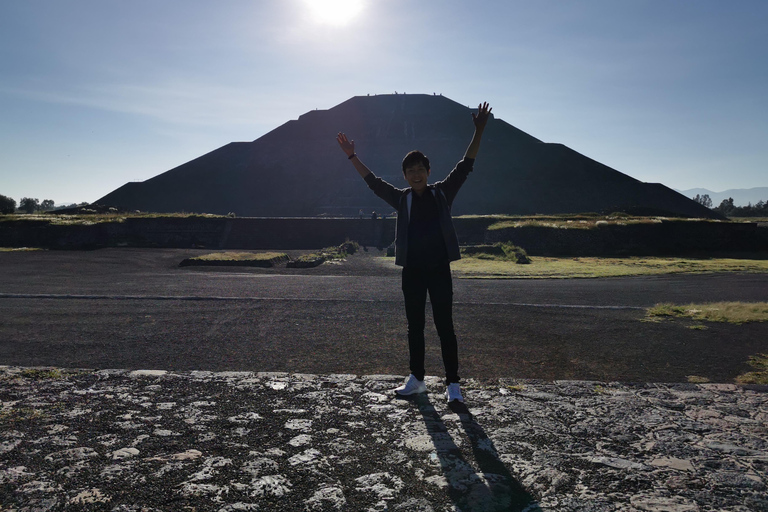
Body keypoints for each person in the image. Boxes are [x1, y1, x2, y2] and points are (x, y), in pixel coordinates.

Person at [336, 102, 492, 402]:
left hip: (439, 269)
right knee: (415, 326)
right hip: (413, 271)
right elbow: (373, 184)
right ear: (405, 175)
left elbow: (466, 164)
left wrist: (480, 130)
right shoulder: (401, 198)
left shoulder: (442, 193)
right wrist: (352, 156)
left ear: (428, 171)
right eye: (411, 171)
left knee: (445, 325)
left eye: (420, 169)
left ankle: (453, 386)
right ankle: (417, 379)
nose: (416, 174)